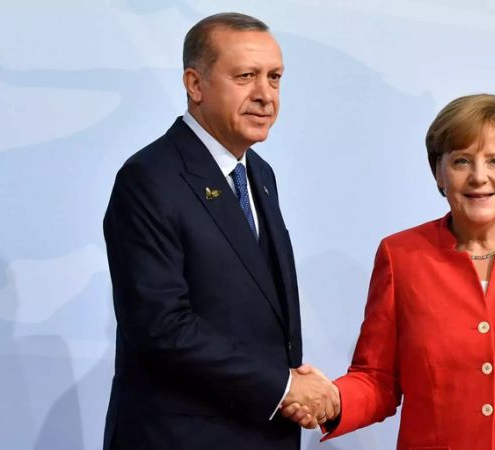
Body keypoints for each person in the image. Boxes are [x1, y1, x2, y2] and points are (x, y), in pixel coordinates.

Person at [286, 94, 495, 449]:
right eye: (462, 161)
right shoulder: (401, 256)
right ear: (439, 172)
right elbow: (378, 379)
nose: (478, 177)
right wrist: (332, 399)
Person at [102, 13, 338, 450]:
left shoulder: (259, 175)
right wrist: (284, 388)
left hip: (259, 433)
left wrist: (293, 387)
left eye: (275, 78)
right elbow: (161, 328)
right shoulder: (150, 178)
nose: (265, 95)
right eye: (246, 76)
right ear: (195, 84)